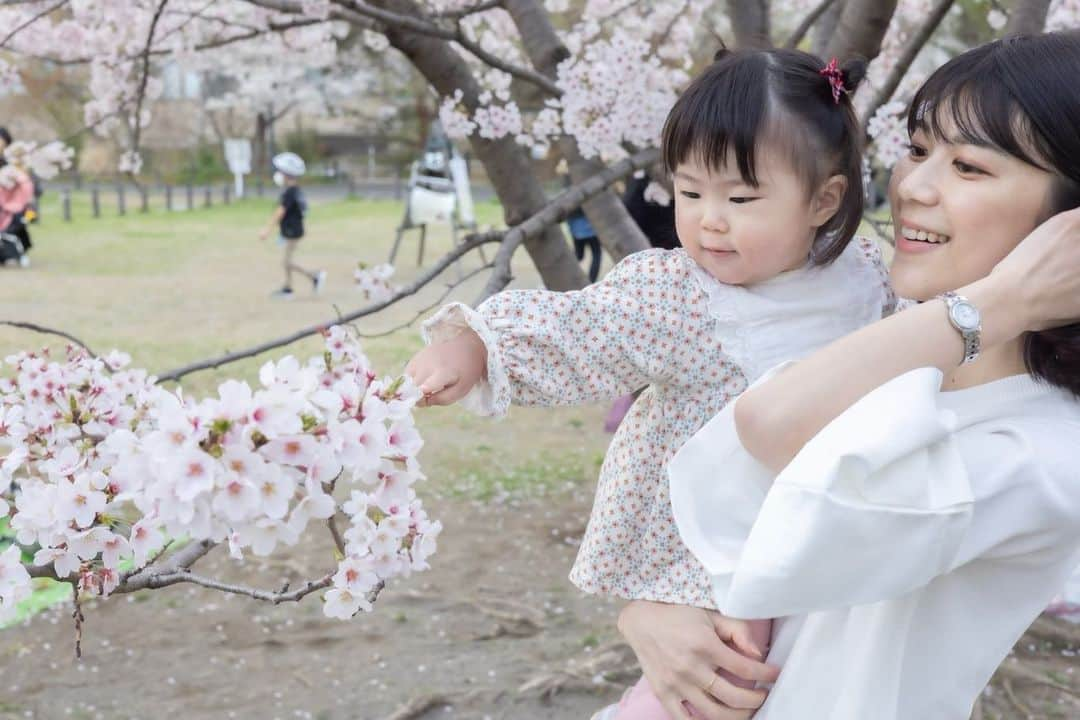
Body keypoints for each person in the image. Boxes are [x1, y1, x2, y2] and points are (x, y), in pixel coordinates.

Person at [407, 47, 893, 719]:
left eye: (742, 197)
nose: (708, 219)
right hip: (710, 558)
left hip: (828, 541)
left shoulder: (867, 280)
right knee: (719, 685)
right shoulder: (684, 296)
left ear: (824, 200)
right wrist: (478, 349)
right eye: (691, 191)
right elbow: (583, 328)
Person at [617, 33, 1080, 720]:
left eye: (970, 169)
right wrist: (652, 610)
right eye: (919, 151)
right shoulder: (902, 352)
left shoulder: (1043, 455)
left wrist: (1003, 301)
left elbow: (767, 429)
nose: (914, 186)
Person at [259, 151, 325, 298]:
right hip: (292, 230)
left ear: (287, 174)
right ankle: (289, 287)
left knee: (287, 262)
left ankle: (313, 277)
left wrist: (267, 230)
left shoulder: (290, 193)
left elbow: (280, 212)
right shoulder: (294, 191)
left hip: (292, 231)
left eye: (280, 171)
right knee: (286, 261)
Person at [0, 126, 35, 267]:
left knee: (24, 219)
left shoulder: (18, 165)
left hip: (17, 211)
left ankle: (16, 253)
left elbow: (31, 190)